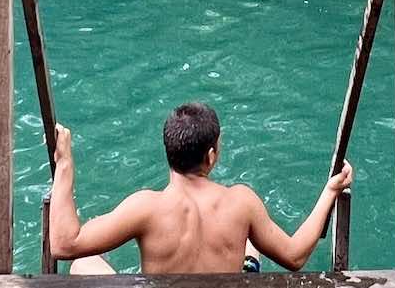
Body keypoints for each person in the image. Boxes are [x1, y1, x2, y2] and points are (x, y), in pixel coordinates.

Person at [46, 101, 352, 275]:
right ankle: (248, 264)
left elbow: (63, 244)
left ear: (168, 151)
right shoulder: (241, 202)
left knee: (83, 263)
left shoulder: (145, 208)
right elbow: (295, 257)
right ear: (211, 155)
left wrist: (65, 166)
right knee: (249, 239)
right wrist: (330, 192)